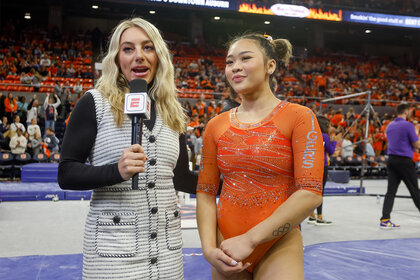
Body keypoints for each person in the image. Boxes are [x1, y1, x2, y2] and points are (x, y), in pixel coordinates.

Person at [57, 17, 197, 279]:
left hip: (167, 255)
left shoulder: (174, 111)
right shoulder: (93, 103)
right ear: (117, 58)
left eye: (148, 47)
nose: (139, 57)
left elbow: (181, 178)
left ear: (159, 55)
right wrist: (116, 171)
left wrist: (234, 185)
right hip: (112, 256)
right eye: (128, 49)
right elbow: (66, 173)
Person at [196, 33, 323, 279]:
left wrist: (251, 239)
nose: (236, 67)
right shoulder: (215, 125)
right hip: (227, 244)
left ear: (270, 65)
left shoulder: (299, 117)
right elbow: (205, 192)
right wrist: (208, 249)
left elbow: (310, 193)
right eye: (230, 62)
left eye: (245, 58)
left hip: (278, 242)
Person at [380, 103, 420, 229]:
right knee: (415, 191)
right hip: (404, 161)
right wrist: (417, 132)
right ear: (406, 112)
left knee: (390, 192)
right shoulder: (408, 125)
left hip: (391, 160)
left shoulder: (390, 125)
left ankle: (385, 220)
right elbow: (417, 145)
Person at [308, 115, 339, 226]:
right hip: (322, 165)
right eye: (329, 125)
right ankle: (319, 217)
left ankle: (311, 215)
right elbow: (330, 151)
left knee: (312, 190)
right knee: (320, 192)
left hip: (311, 165)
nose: (330, 127)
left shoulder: (311, 135)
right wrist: (334, 141)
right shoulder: (324, 136)